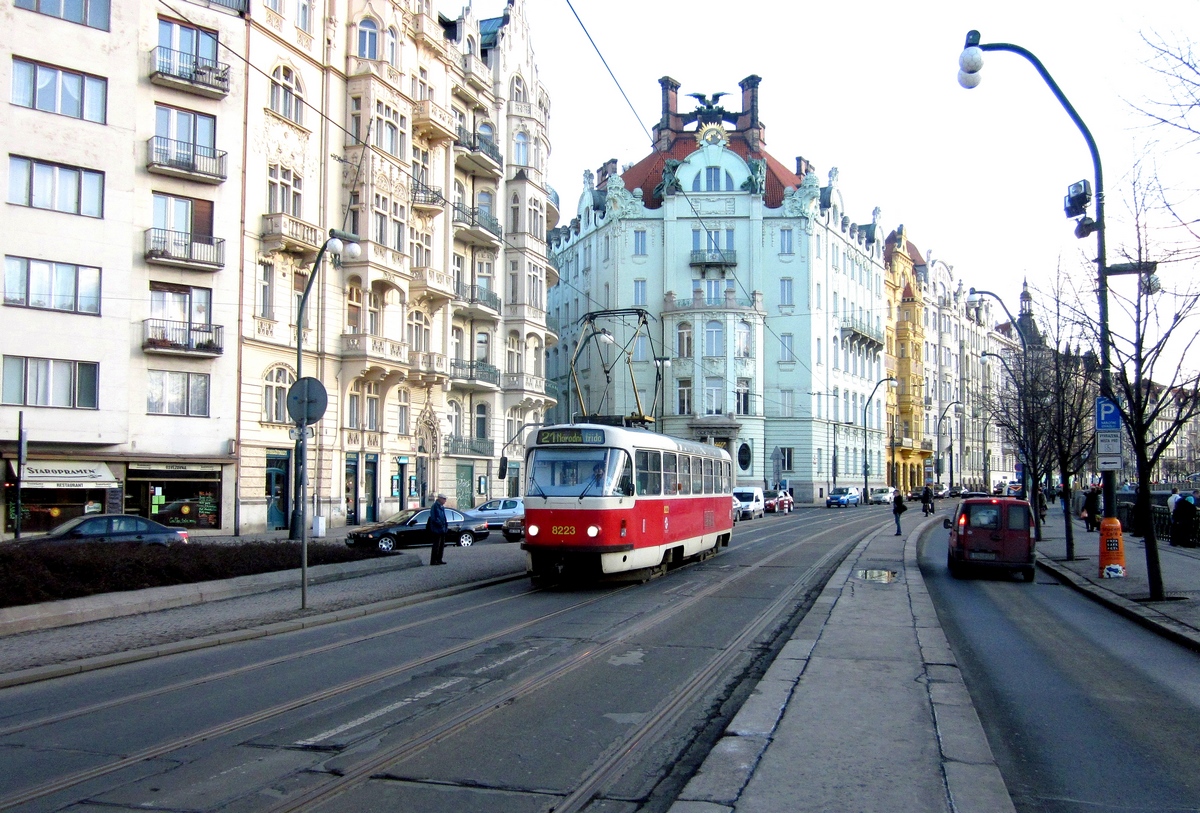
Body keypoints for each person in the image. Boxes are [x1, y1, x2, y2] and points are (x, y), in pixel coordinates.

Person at [427, 493, 449, 565]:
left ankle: (439, 559)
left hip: (442, 529)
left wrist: (445, 526)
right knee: (436, 545)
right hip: (437, 529)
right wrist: (440, 524)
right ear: (440, 498)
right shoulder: (435, 506)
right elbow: (434, 518)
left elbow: (444, 517)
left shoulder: (442, 507)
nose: (445, 501)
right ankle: (434, 560)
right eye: (444, 499)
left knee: (441, 545)